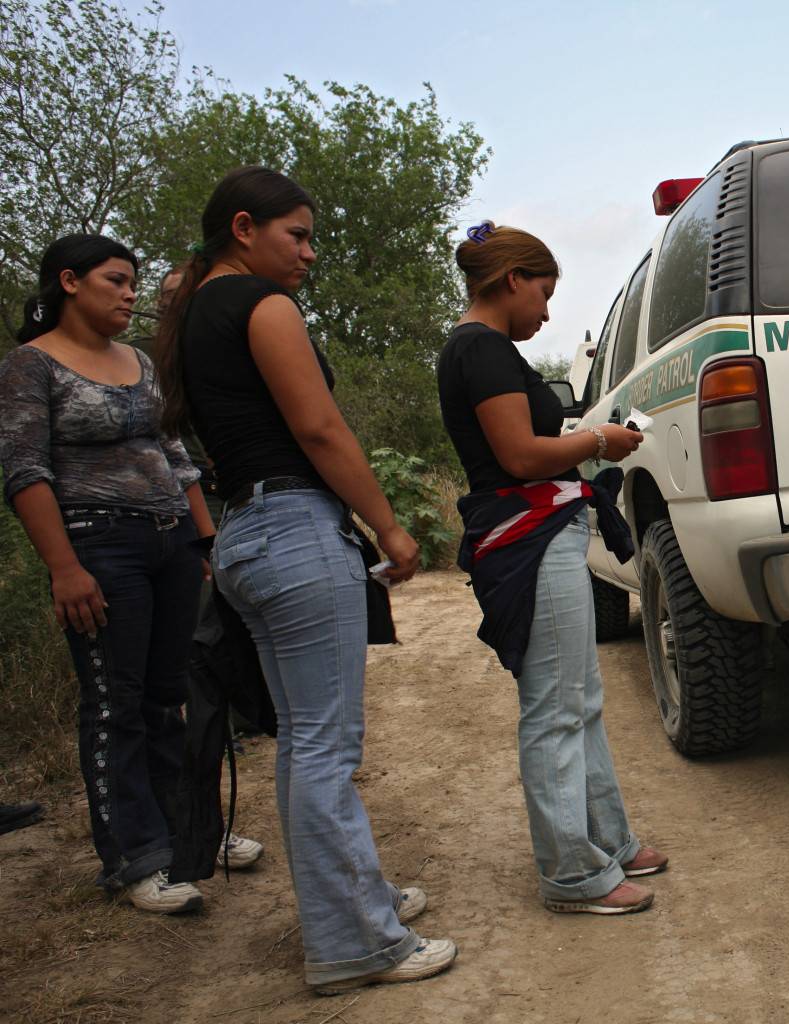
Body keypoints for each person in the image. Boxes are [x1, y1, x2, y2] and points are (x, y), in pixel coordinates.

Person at [157, 165, 456, 991]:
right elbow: (319, 429)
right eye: (298, 235)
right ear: (244, 227)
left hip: (244, 534)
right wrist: (388, 526)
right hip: (293, 528)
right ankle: (356, 943)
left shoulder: (192, 315)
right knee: (325, 746)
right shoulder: (261, 304)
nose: (310, 253)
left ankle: (355, 905)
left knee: (304, 742)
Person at [436, 223, 666, 915]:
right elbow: (518, 456)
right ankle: (571, 874)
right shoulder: (481, 349)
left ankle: (608, 841)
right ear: (512, 280)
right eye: (543, 292)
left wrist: (586, 441)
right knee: (556, 707)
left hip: (541, 531)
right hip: (528, 537)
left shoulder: (485, 349)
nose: (545, 311)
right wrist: (598, 440)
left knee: (578, 698)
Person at [0, 234, 214, 913]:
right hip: (99, 544)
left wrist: (204, 543)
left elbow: (175, 455)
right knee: (114, 700)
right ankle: (135, 856)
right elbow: (25, 471)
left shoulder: (141, 362)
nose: (129, 295)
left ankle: (185, 840)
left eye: (132, 282)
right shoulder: (30, 365)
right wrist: (64, 568)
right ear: (69, 282)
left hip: (171, 540)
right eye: (116, 281)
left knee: (167, 695)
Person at [133, 267, 265, 876]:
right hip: (158, 526)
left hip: (217, 509)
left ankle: (203, 824)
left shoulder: (217, 350)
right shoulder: (145, 363)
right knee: (185, 672)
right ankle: (180, 832)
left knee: (211, 657)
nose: (175, 305)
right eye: (167, 297)